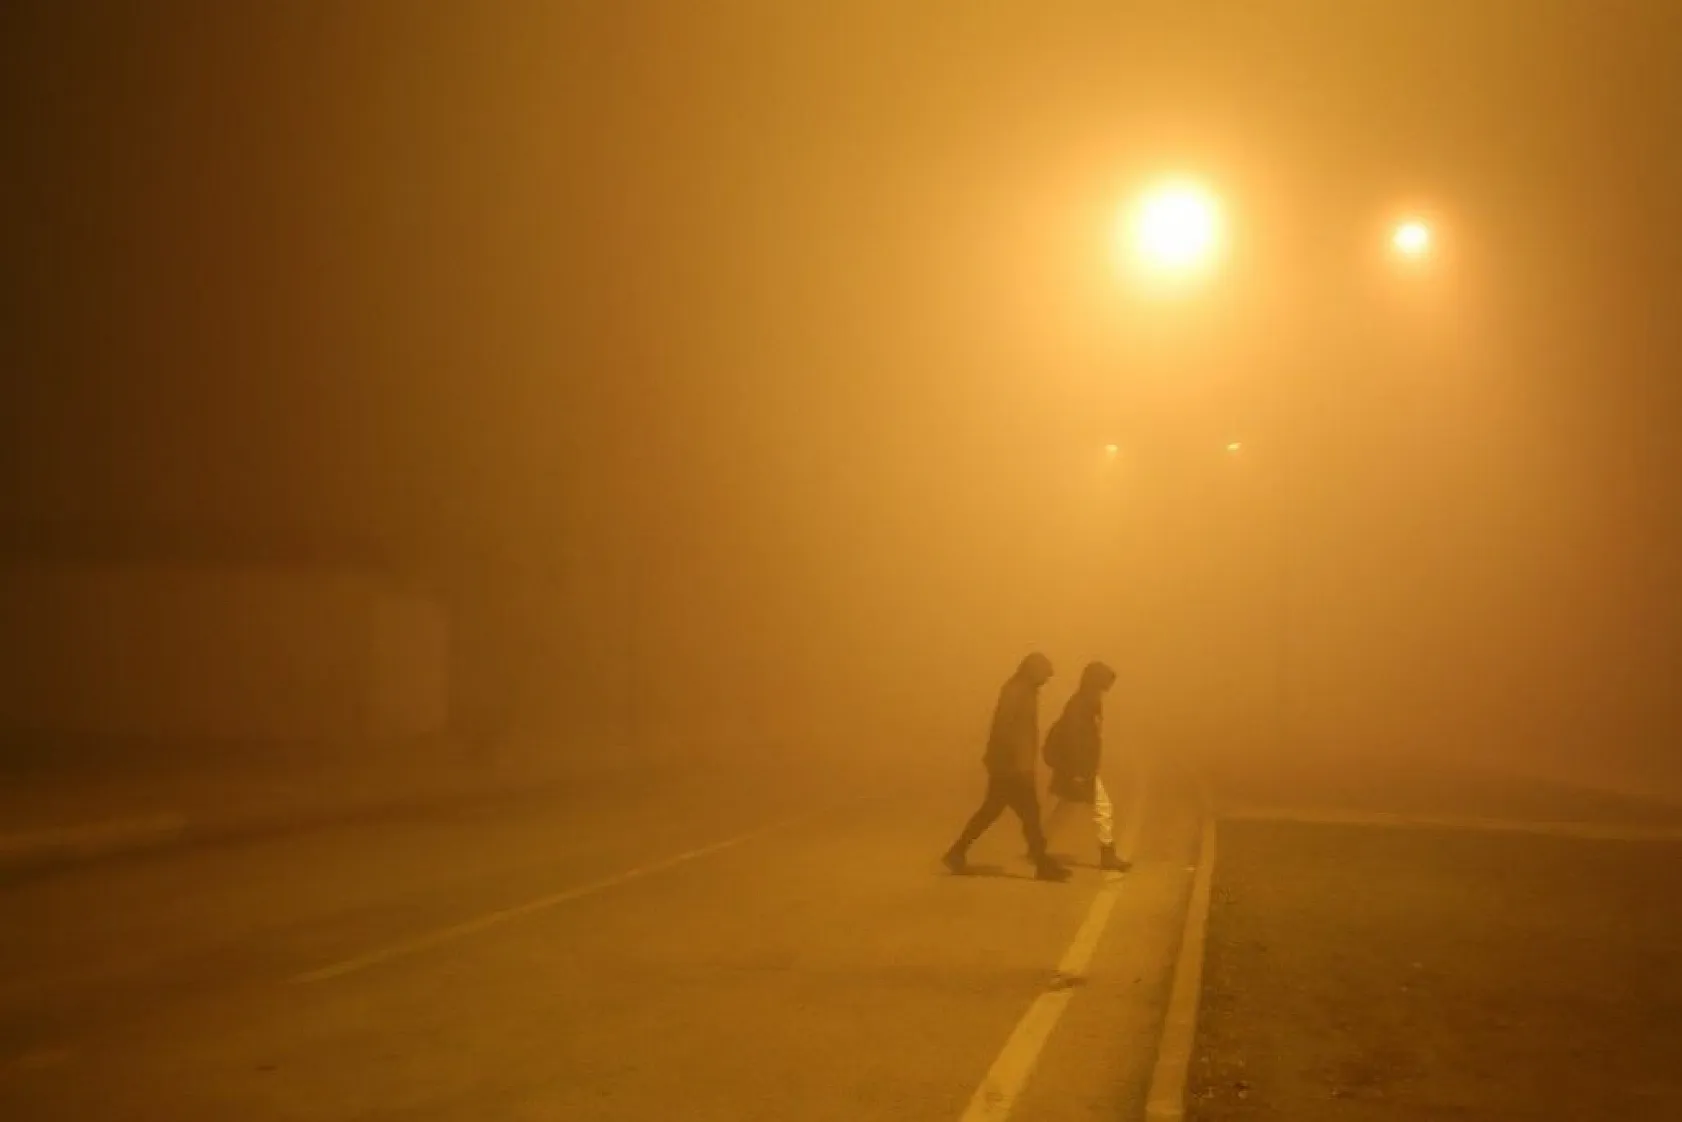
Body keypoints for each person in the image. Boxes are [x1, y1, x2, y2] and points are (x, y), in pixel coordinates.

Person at [943, 652, 1071, 881]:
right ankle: (1042, 863)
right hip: (1011, 766)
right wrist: (1013, 764)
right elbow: (1005, 727)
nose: (1046, 679)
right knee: (1029, 814)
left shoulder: (1023, 690)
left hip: (1012, 764)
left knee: (993, 811)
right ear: (1033, 671)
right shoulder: (1016, 691)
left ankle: (957, 851)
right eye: (1044, 674)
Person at [1043, 660, 1130, 872]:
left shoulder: (1085, 701)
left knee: (1065, 808)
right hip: (1080, 769)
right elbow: (1076, 740)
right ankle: (1107, 854)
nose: (1107, 689)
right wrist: (1080, 773)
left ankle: (1038, 844)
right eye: (1104, 684)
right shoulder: (1083, 704)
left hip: (1077, 768)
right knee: (1103, 808)